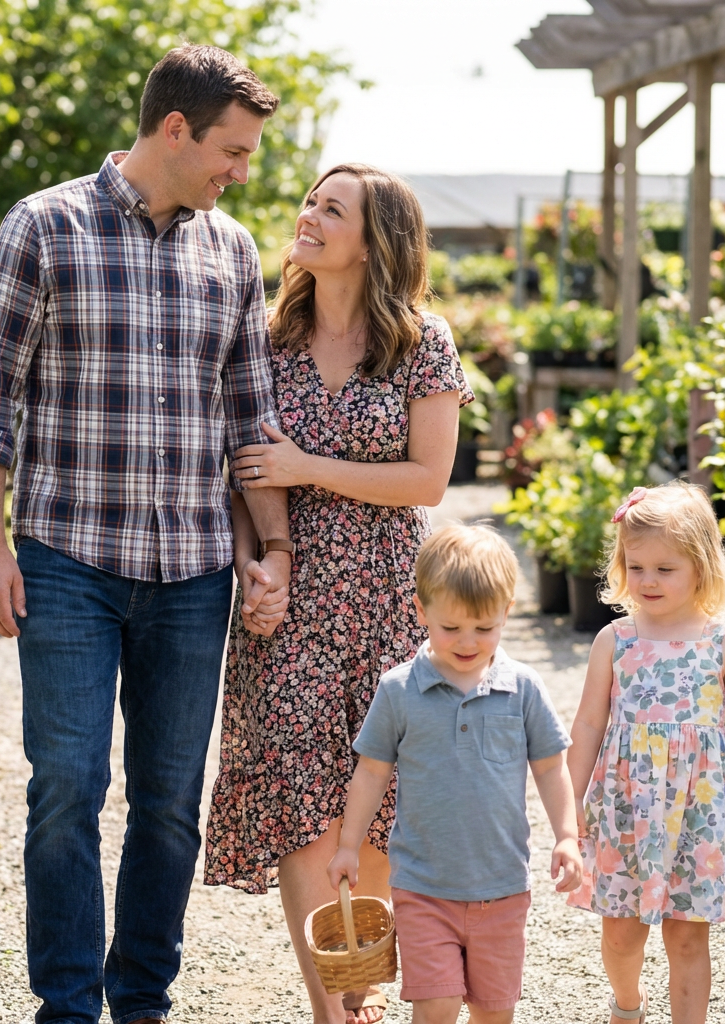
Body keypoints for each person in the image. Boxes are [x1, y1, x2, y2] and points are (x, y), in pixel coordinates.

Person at [0, 45, 290, 1024]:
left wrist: (274, 553)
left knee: (170, 800)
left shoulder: (230, 249)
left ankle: (141, 998)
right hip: (66, 560)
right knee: (66, 784)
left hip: (190, 572)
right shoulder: (43, 227)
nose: (241, 170)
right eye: (232, 149)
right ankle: (68, 1003)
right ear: (174, 128)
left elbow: (248, 419)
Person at [203, 164, 472, 1024]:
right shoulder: (265, 336)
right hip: (289, 606)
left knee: (381, 804)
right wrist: (255, 560)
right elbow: (240, 470)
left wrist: (306, 467)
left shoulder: (422, 342)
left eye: (332, 208)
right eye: (311, 201)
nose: (309, 215)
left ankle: (365, 984)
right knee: (299, 808)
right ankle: (333, 1008)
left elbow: (429, 480)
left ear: (376, 239)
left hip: (389, 598)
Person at [327, 524, 583, 1024]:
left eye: (484, 628)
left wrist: (568, 837)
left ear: (506, 614)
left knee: (494, 1013)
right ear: (420, 612)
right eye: (451, 628)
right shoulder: (399, 691)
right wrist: (348, 845)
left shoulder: (523, 689)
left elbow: (551, 767)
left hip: (503, 887)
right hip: (423, 888)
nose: (468, 641)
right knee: (437, 1007)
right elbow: (371, 773)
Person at [566, 483, 725, 1024]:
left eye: (664, 569)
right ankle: (627, 1005)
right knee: (622, 934)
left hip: (700, 811)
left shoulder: (723, 643)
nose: (647, 580)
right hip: (625, 810)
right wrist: (567, 805)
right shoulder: (616, 641)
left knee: (688, 938)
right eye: (636, 565)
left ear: (700, 566)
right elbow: (586, 724)